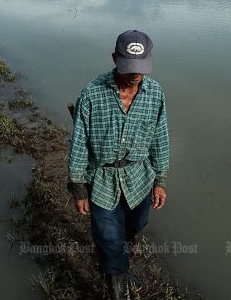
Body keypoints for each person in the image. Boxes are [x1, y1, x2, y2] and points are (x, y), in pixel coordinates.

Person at [67, 30, 170, 300]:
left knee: (136, 225)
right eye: (128, 67)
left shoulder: (155, 94)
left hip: (139, 179)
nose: (135, 74)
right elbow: (79, 143)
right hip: (102, 179)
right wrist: (78, 186)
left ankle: (123, 251)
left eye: (141, 68)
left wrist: (160, 180)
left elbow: (160, 138)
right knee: (109, 239)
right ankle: (117, 287)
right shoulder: (92, 94)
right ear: (115, 58)